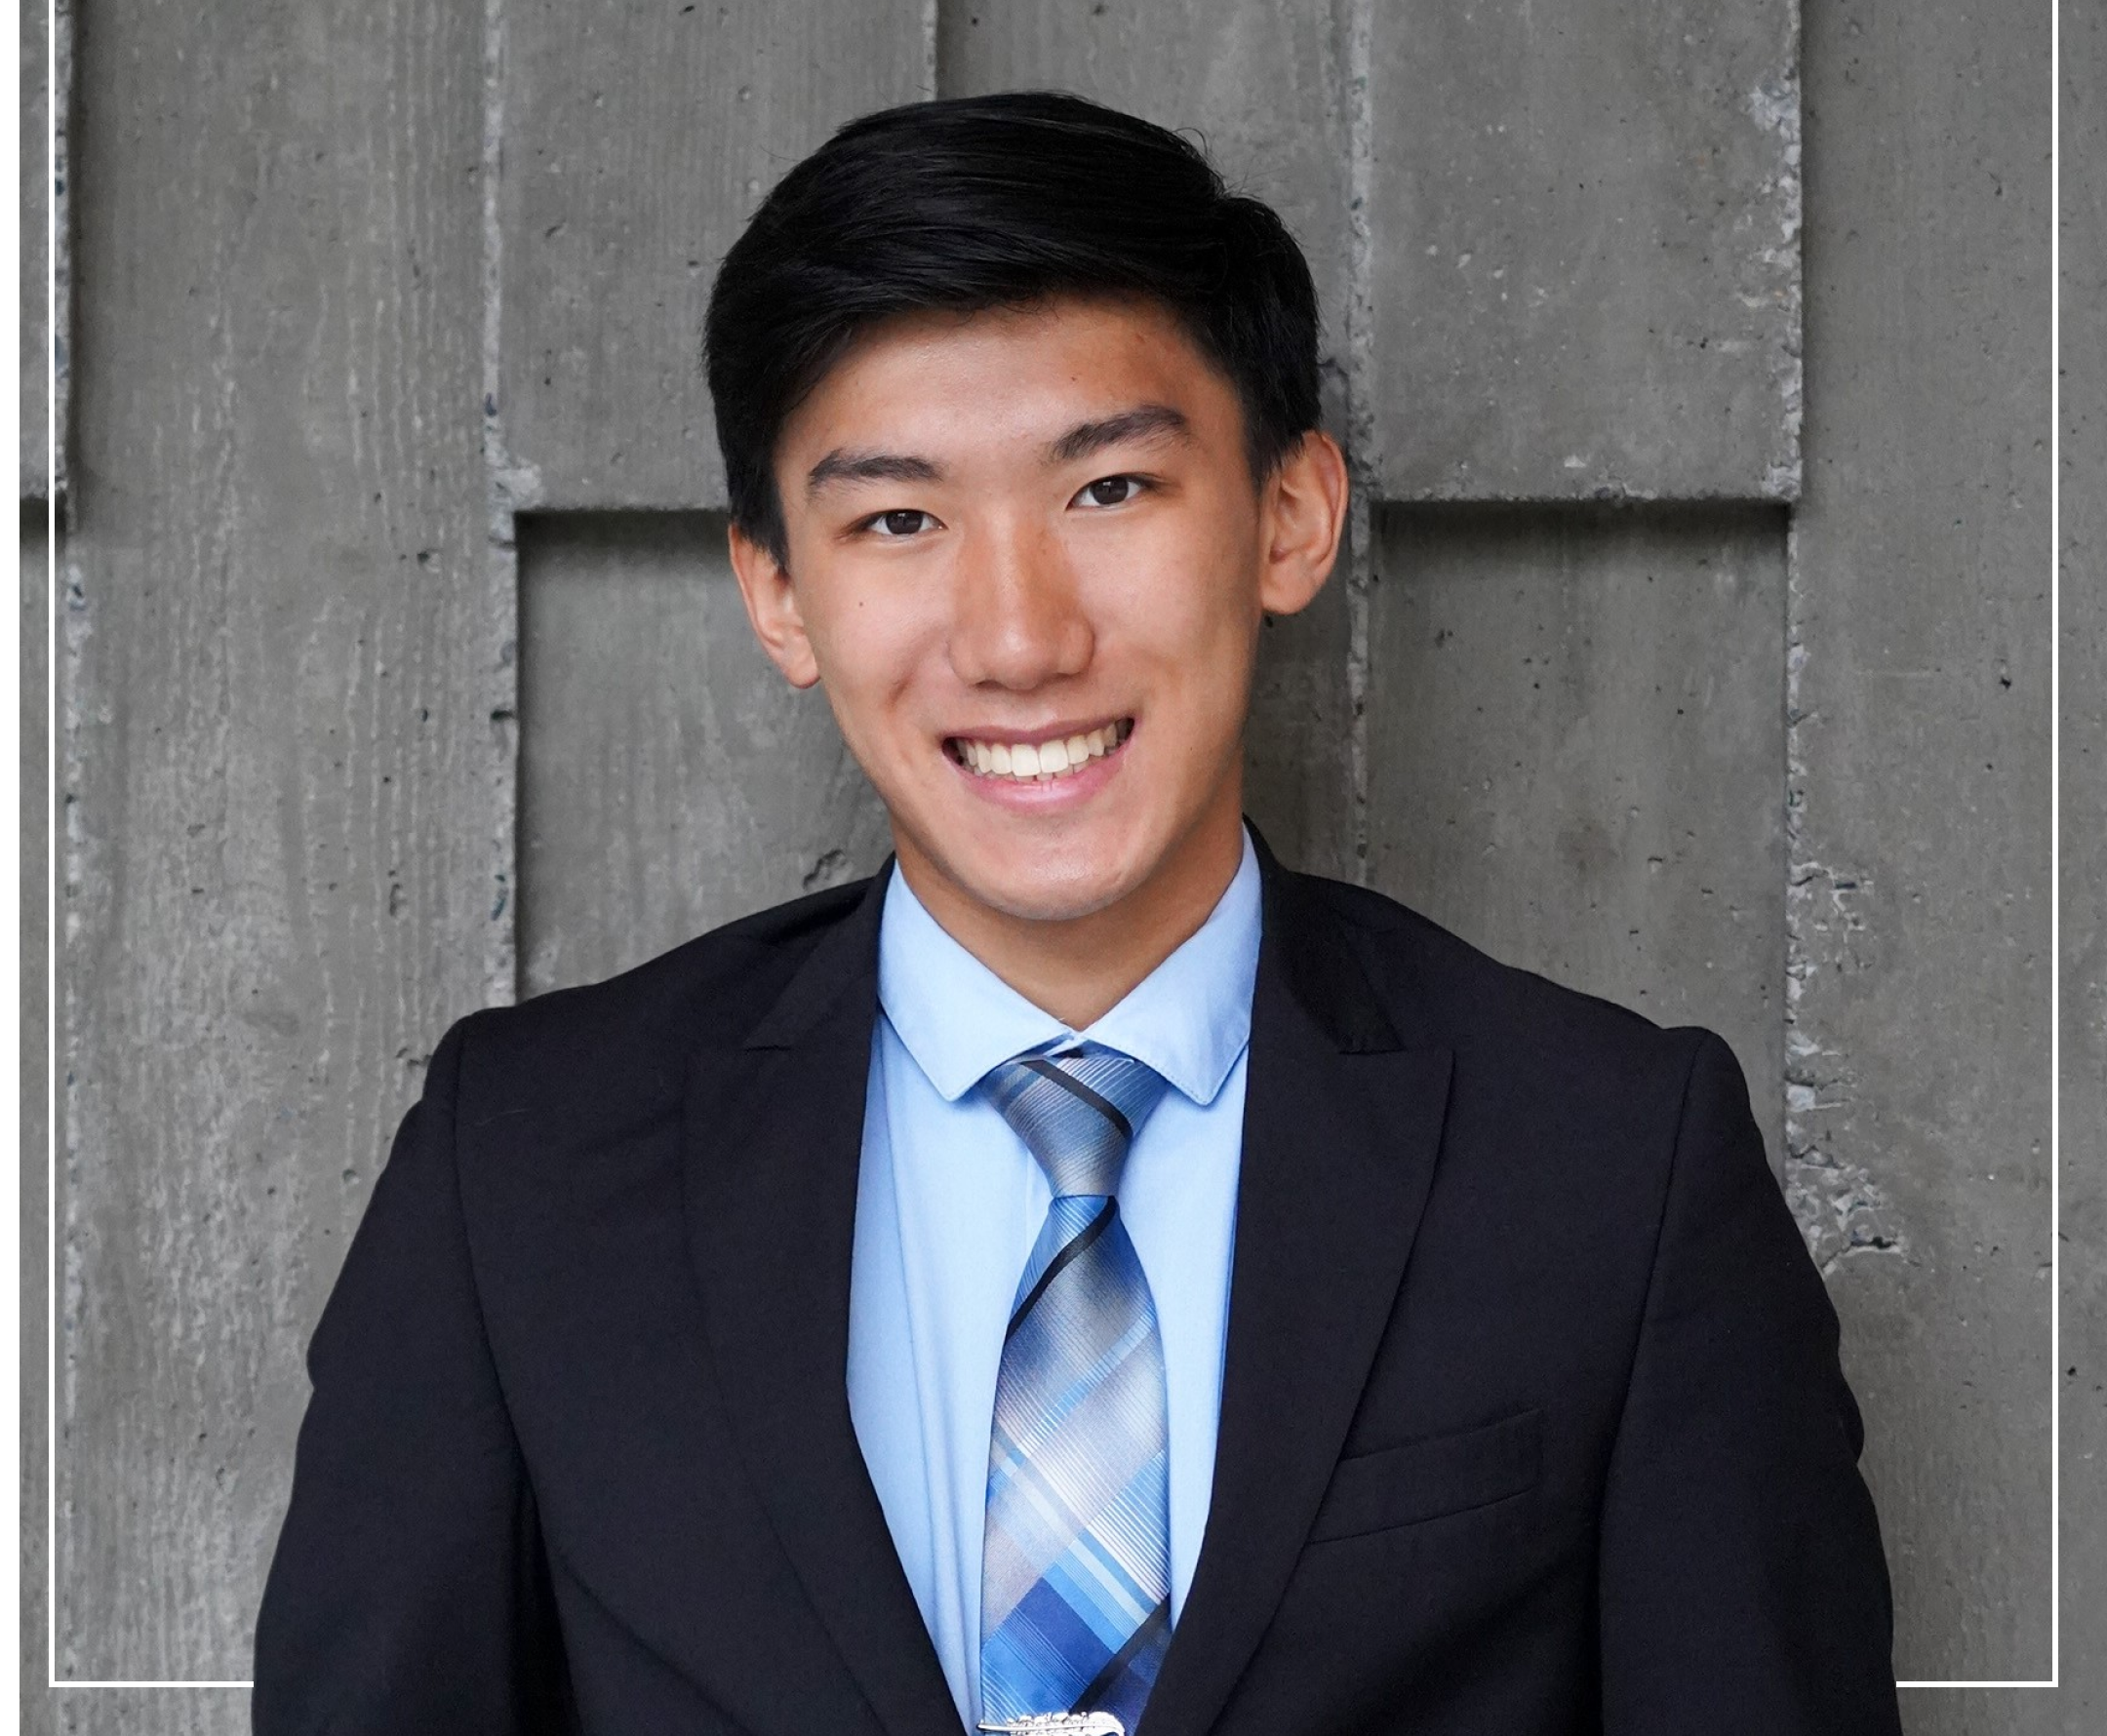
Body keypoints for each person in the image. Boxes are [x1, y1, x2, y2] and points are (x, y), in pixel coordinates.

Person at [252, 92, 1902, 1736]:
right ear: (776, 589)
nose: (1019, 636)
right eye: (898, 519)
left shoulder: (1612, 1164)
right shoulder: (524, 1168)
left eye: (1108, 491)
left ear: (1288, 515)